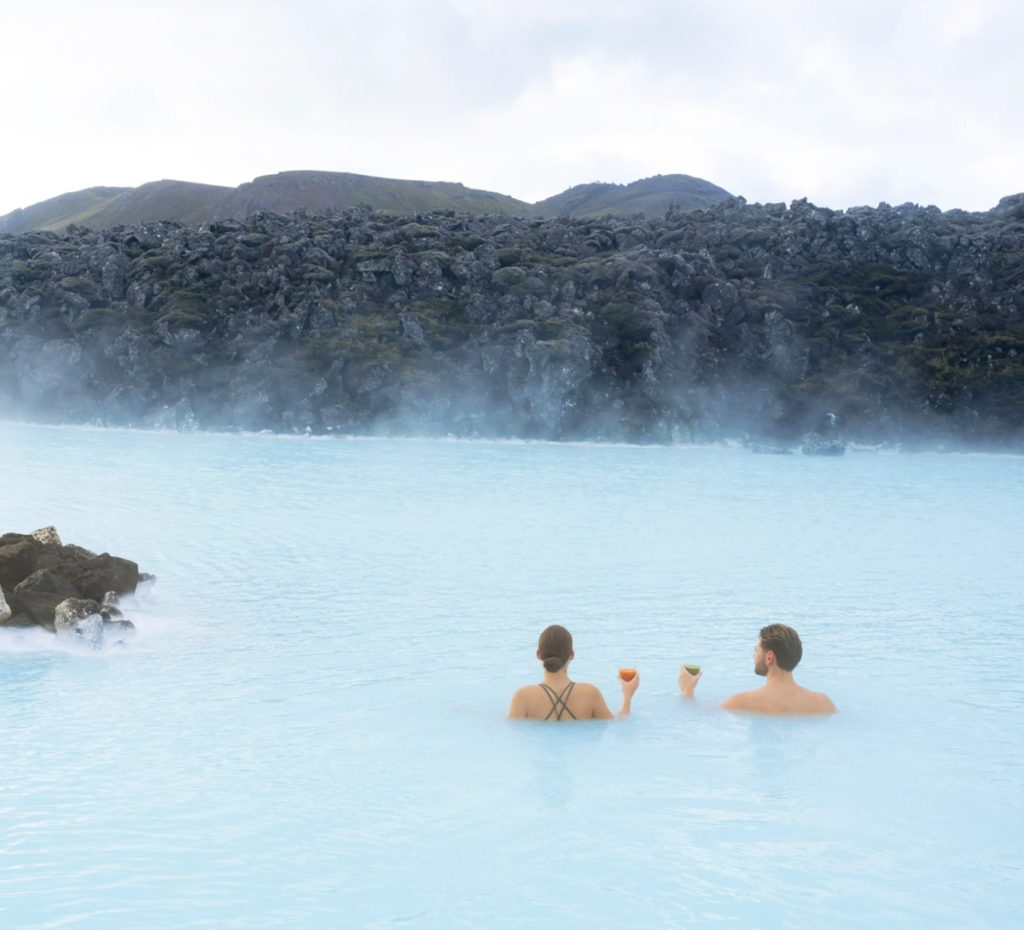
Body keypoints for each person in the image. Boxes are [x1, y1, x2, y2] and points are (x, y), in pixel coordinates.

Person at [678, 623, 835, 715]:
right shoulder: (823, 703)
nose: (754, 656)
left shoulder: (740, 702)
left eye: (756, 651)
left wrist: (687, 691)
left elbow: (697, 716)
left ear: (769, 657)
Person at [508, 624, 638, 720]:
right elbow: (620, 724)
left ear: (538, 654)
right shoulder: (590, 693)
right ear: (571, 655)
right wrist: (627, 695)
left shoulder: (522, 697)